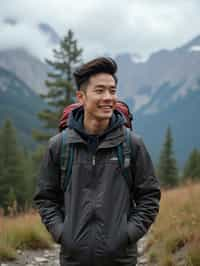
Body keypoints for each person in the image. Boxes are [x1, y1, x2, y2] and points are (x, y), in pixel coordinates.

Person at [34, 57, 161, 266]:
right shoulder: (59, 146)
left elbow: (149, 196)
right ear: (81, 97)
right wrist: (63, 234)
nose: (108, 97)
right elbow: (46, 198)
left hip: (120, 259)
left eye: (112, 90)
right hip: (73, 259)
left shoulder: (132, 144)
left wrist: (127, 235)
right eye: (100, 91)